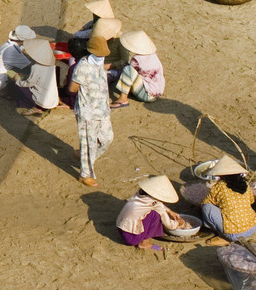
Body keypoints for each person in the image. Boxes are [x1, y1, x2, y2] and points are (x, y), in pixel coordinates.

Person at [71, 35, 114, 187]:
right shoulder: (82, 66)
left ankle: (85, 156)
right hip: (87, 111)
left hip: (102, 109)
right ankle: (85, 174)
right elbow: (73, 88)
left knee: (107, 138)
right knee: (88, 144)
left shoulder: (100, 63)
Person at [116, 175, 187, 251]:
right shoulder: (154, 203)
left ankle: (143, 239)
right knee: (155, 215)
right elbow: (169, 225)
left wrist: (170, 211)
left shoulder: (140, 193)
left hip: (120, 228)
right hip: (132, 238)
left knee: (151, 212)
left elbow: (158, 205)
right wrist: (179, 223)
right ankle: (144, 243)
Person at [202, 157, 256, 244]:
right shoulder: (245, 184)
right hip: (252, 228)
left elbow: (206, 202)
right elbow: (251, 201)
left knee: (206, 207)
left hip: (234, 234)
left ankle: (224, 237)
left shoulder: (220, 186)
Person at [111, 30, 164, 105]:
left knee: (127, 69)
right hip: (157, 91)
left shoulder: (136, 59)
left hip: (147, 95)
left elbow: (130, 72)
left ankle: (123, 99)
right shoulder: (153, 55)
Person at [17, 37, 60, 111]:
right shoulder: (52, 65)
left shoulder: (36, 67)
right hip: (53, 100)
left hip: (43, 102)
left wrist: (17, 81)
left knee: (19, 87)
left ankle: (32, 105)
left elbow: (29, 83)